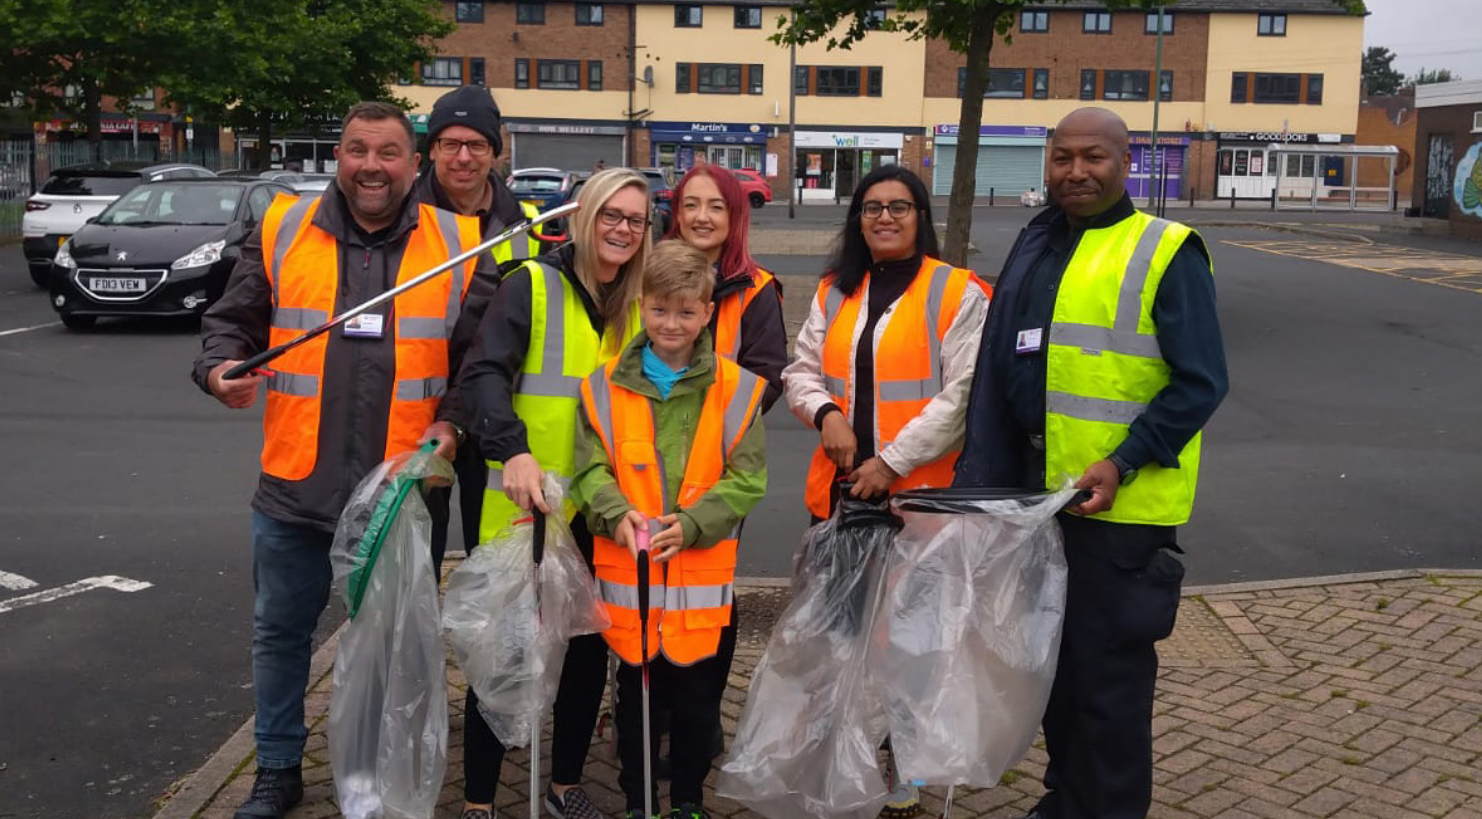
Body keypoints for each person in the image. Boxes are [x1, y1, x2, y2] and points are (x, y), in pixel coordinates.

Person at [192, 101, 483, 819]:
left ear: (414, 165)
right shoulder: (286, 228)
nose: (371, 166)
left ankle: (373, 775)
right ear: (338, 156)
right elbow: (230, 321)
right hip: (295, 483)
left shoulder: (457, 242)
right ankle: (279, 769)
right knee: (280, 634)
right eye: (357, 150)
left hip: (398, 493)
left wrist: (453, 422)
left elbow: (478, 362)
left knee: (390, 647)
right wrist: (217, 369)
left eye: (388, 152)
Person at [953, 107, 1228, 819]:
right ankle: (1067, 801)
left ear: (1126, 161)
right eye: (1062, 157)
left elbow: (1201, 381)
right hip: (1042, 505)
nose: (1075, 171)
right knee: (1060, 678)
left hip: (1121, 517)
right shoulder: (1042, 245)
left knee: (1108, 691)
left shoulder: (1166, 251)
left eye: (1093, 157)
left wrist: (1124, 459)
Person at [780, 164, 989, 818]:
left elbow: (961, 397)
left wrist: (890, 462)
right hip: (841, 499)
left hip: (919, 502)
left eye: (900, 206)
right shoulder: (836, 290)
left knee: (912, 639)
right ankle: (844, 747)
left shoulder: (958, 292)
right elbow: (801, 369)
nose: (886, 217)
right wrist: (826, 415)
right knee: (839, 634)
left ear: (920, 217)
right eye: (872, 208)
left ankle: (906, 755)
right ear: (858, 220)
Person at [457, 167, 651, 819]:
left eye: (635, 219)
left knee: (586, 656)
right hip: (525, 507)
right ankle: (481, 799)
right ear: (582, 216)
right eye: (611, 215)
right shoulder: (531, 284)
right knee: (504, 659)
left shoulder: (638, 304)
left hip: (604, 512)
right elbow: (482, 372)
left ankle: (564, 782)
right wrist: (510, 448)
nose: (622, 229)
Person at [571, 240, 768, 819]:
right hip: (630, 582)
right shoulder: (602, 386)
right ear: (641, 306)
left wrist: (692, 523)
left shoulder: (737, 389)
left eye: (686, 311)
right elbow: (589, 468)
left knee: (698, 708)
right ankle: (638, 802)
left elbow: (747, 479)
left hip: (701, 586)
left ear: (708, 312)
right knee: (635, 703)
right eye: (660, 310)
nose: (672, 323)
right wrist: (614, 512)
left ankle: (686, 801)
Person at [661, 161, 788, 771]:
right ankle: (643, 716)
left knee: (709, 595)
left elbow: (766, 375)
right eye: (691, 204)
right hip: (646, 462)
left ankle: (699, 721)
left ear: (735, 216)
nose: (701, 217)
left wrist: (709, 430)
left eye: (716, 206)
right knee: (642, 589)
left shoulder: (756, 288)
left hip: (716, 467)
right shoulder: (647, 277)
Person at [412, 84, 543, 576]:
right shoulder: (402, 221)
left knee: (494, 560)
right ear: (432, 150)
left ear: (495, 152)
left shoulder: (528, 226)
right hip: (416, 418)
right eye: (451, 144)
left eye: (477, 145)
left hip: (494, 413)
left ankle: (482, 654)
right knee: (413, 566)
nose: (463, 157)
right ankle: (415, 654)